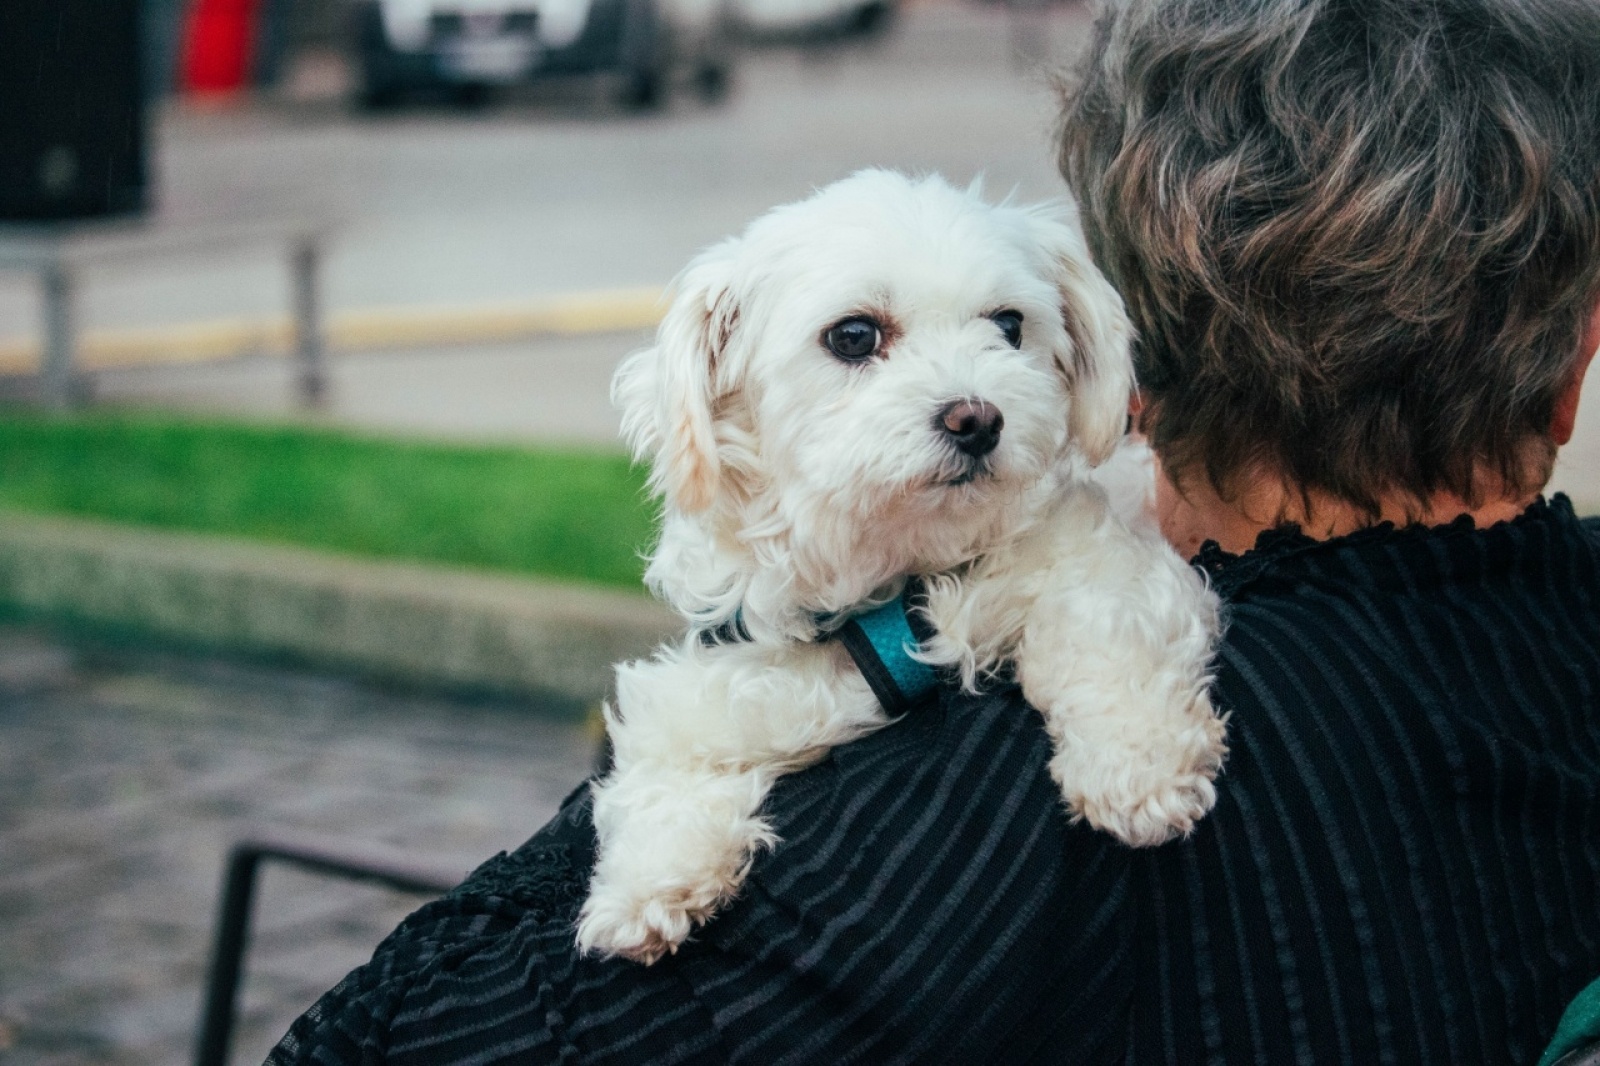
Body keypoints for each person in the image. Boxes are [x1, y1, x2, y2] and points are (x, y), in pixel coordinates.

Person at [268, 0, 1600, 1061]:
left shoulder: (955, 845)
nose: (965, 395)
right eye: (863, 339)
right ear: (1575, 361)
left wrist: (709, 734)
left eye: (1001, 330)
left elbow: (375, 1038)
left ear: (1124, 370)